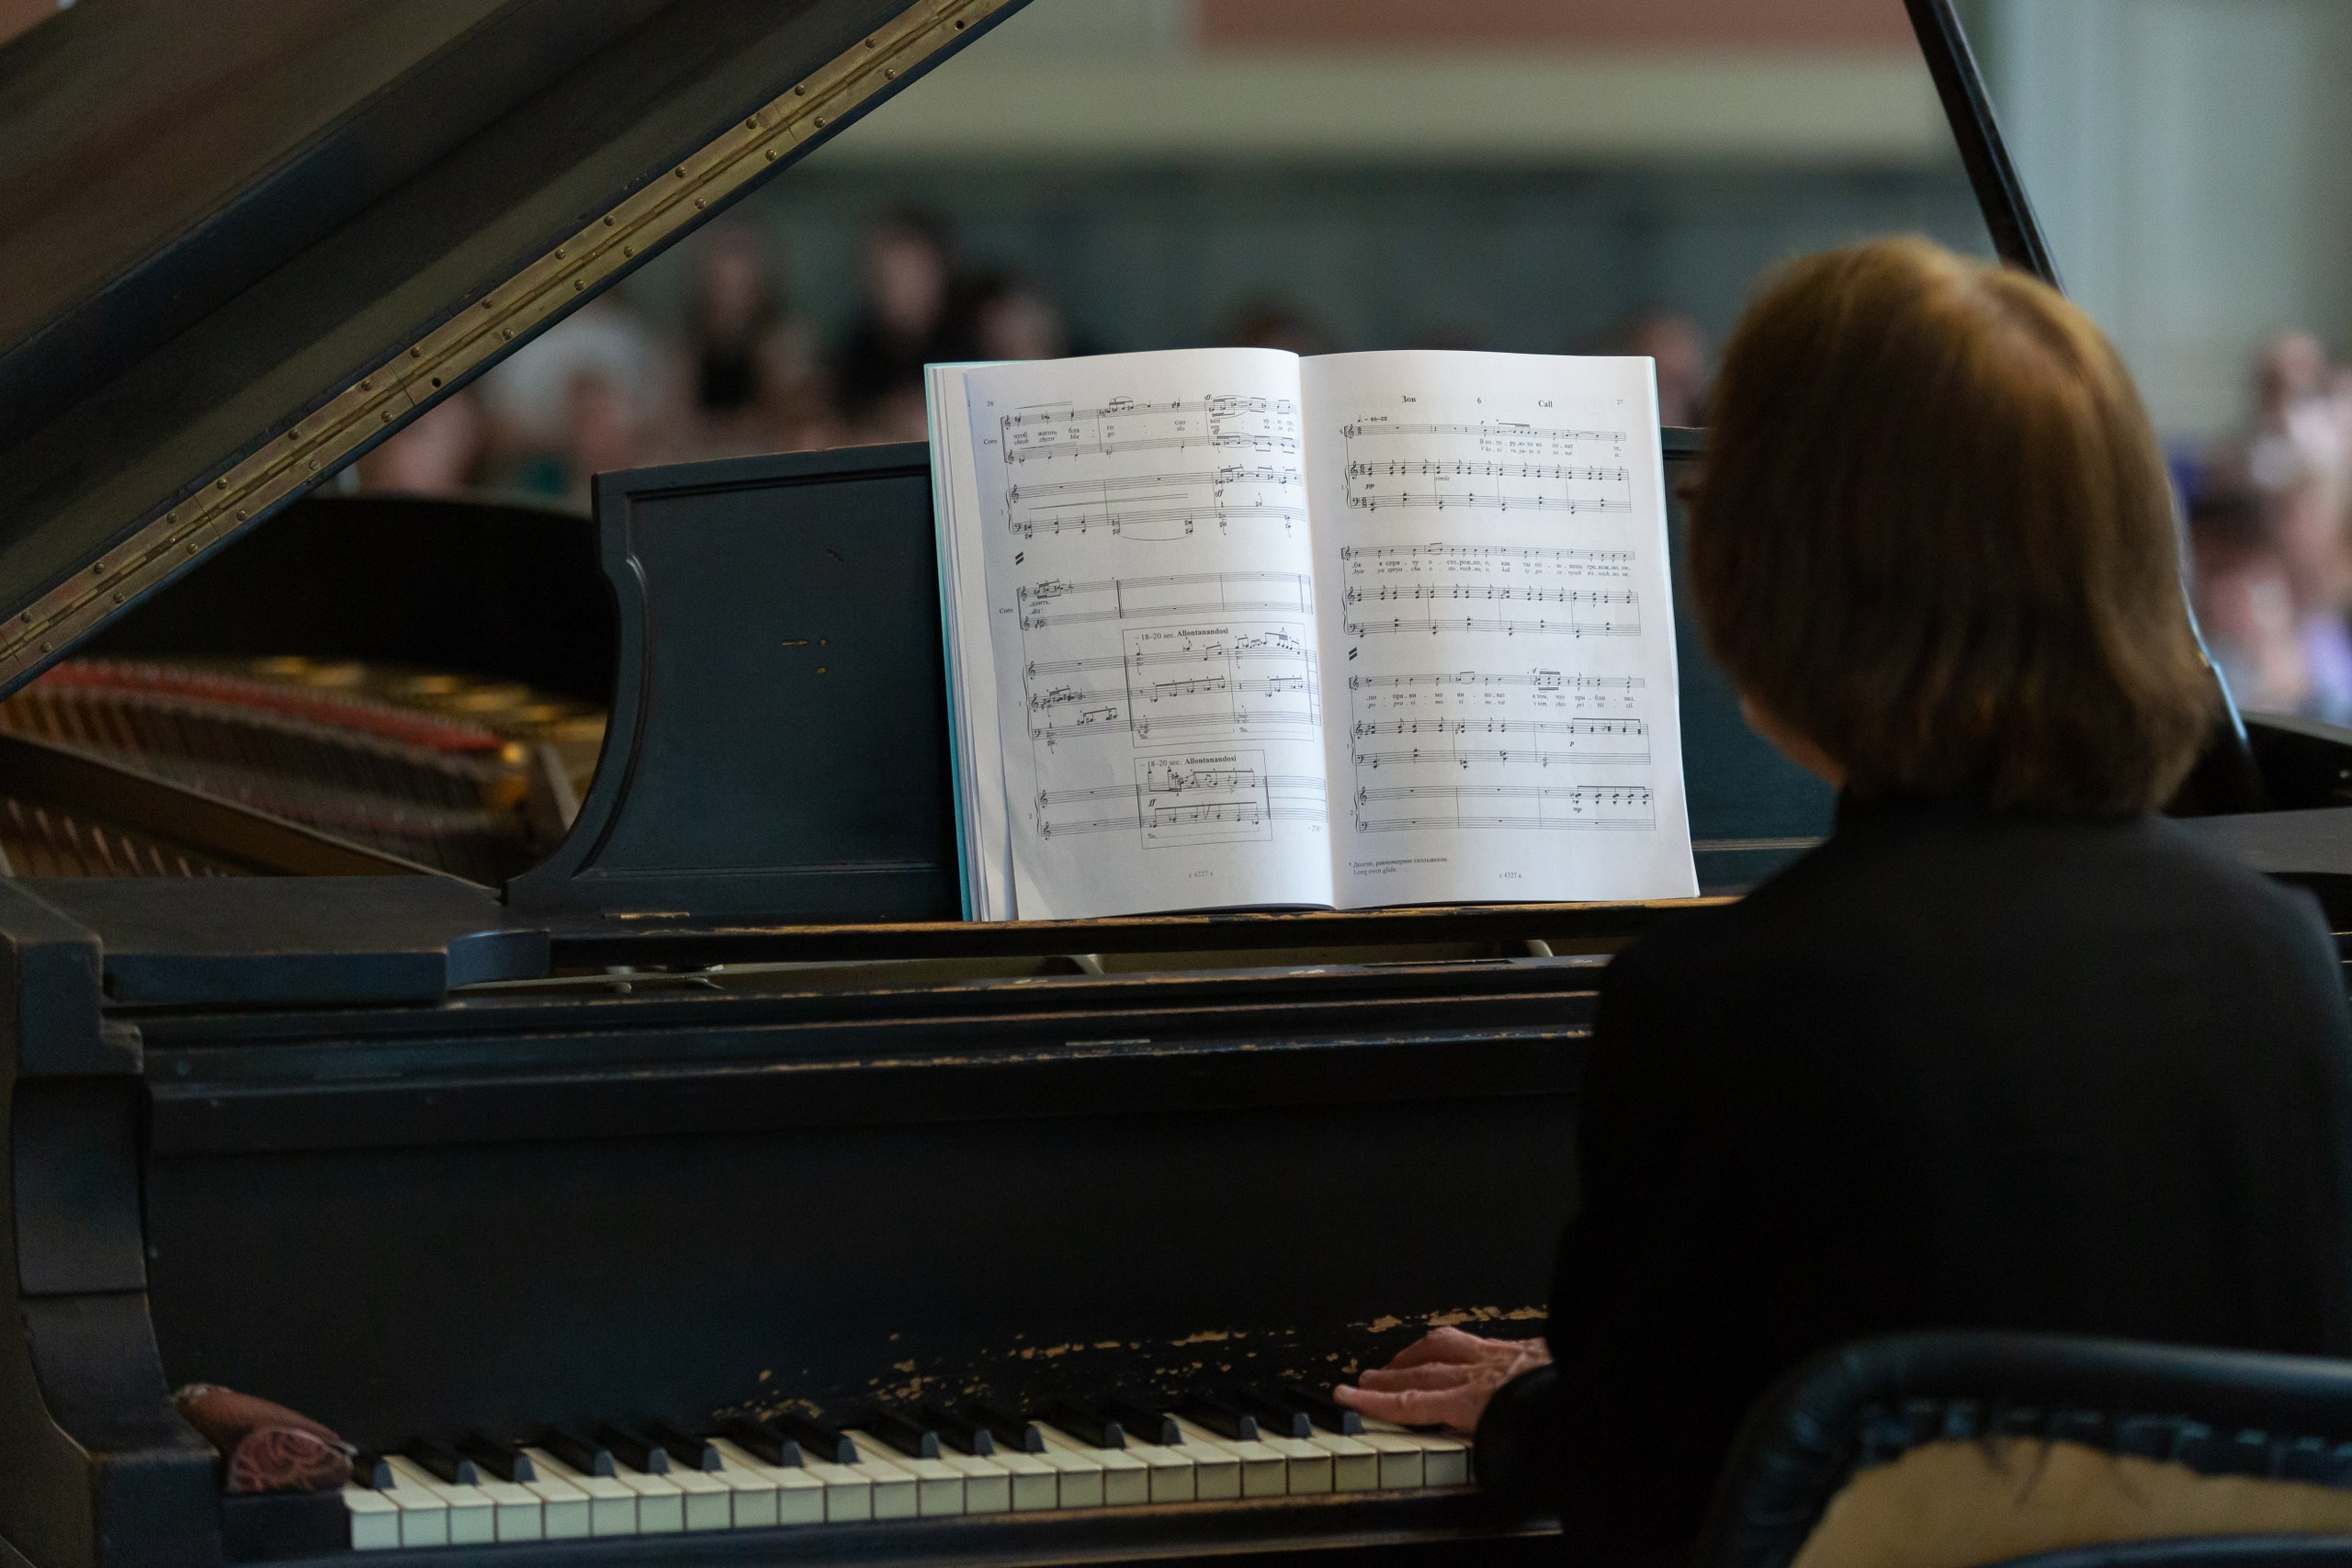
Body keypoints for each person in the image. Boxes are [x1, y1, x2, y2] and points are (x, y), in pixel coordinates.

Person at [1333, 237, 2352, 1564]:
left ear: (1780, 570)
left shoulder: (1722, 1006)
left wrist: (1537, 1407)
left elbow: (1655, 1503)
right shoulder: (2283, 962)